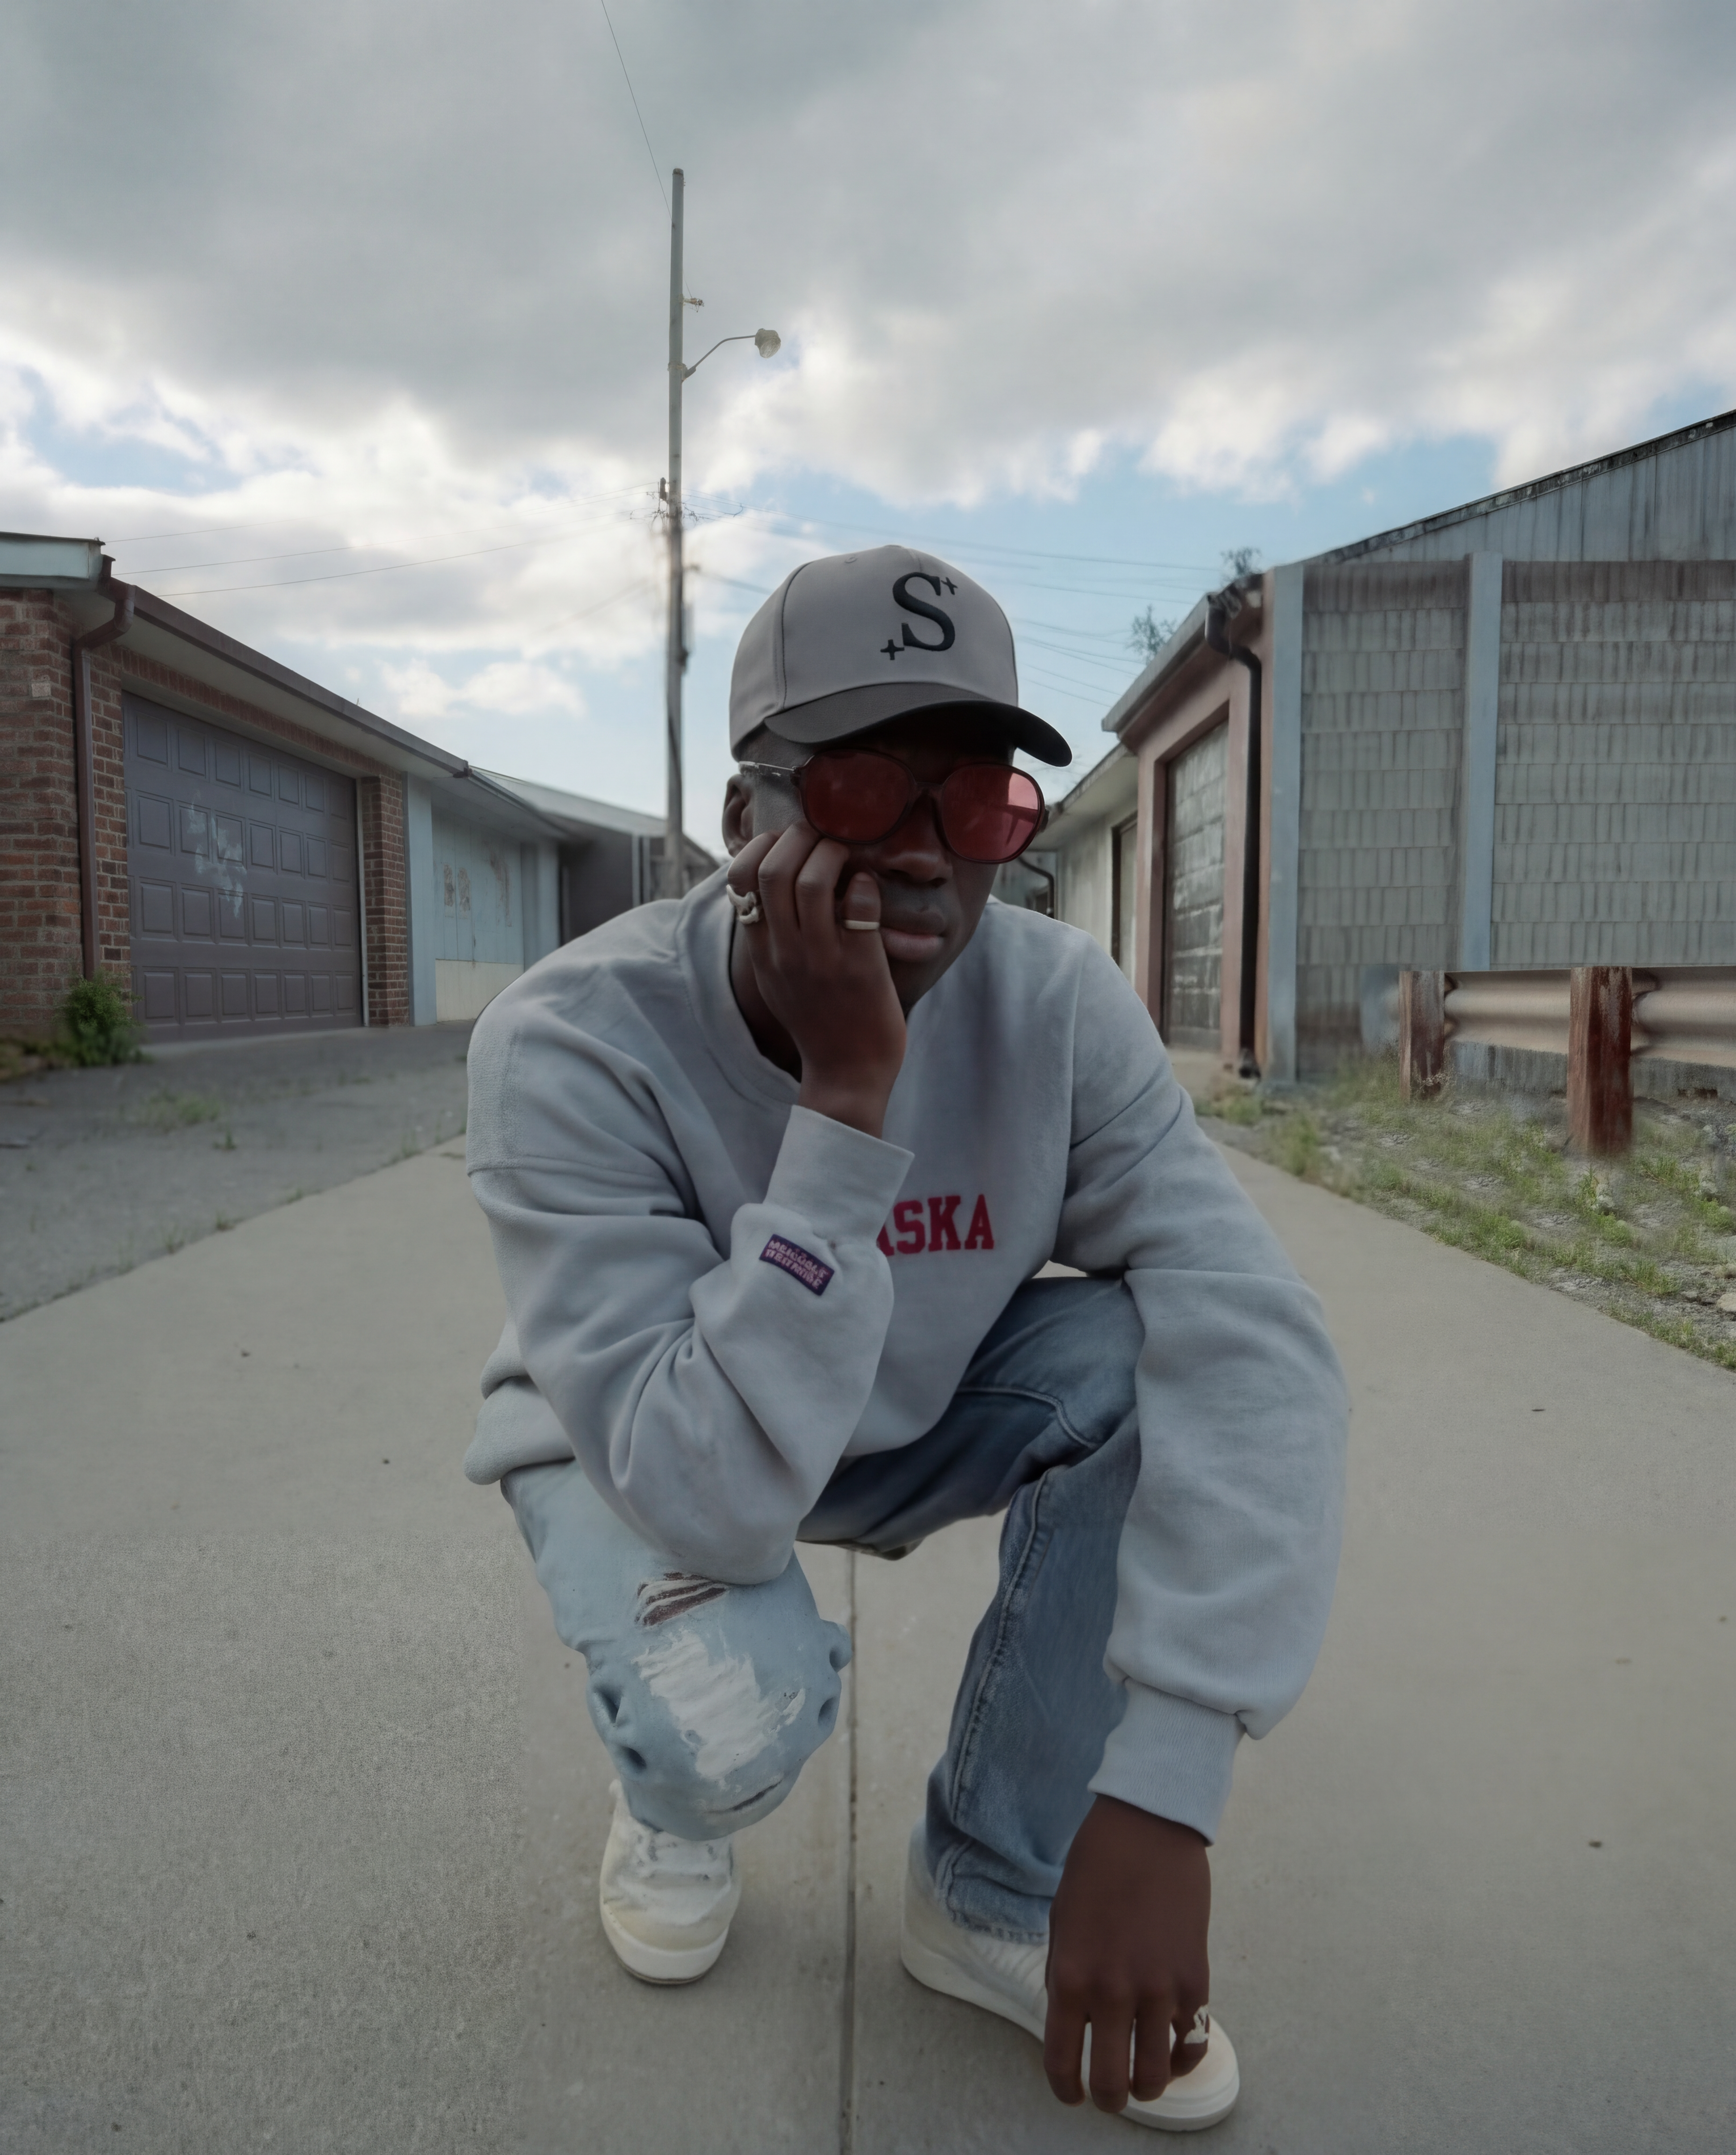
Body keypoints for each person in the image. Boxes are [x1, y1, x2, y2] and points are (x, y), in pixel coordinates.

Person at [463, 546, 1347, 2131]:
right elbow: (711, 1490)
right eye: (871, 790)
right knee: (718, 1725)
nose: (936, 859)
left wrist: (1164, 1788)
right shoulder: (567, 1043)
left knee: (1152, 1350)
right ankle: (670, 1802)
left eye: (983, 805)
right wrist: (846, 1102)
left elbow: (1255, 1334)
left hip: (920, 1402)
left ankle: (989, 1881)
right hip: (653, 1438)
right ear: (748, 825)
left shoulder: (1063, 1005)